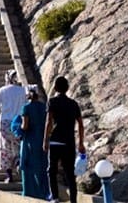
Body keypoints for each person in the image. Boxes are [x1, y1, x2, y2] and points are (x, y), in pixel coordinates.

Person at [44, 75, 85, 203]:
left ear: (55, 87)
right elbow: (80, 124)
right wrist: (81, 143)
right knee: (70, 173)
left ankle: (55, 198)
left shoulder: (52, 101)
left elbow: (49, 122)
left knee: (52, 170)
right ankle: (73, 200)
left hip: (55, 140)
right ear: (67, 88)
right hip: (69, 142)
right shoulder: (73, 104)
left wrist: (45, 140)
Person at [0, 69, 26, 183]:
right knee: (18, 146)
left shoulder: (2, 90)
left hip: (5, 123)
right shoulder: (22, 91)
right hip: (18, 122)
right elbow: (25, 107)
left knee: (5, 149)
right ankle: (18, 163)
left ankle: (9, 176)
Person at [15, 85, 49, 199]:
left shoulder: (26, 108)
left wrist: (16, 128)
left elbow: (25, 126)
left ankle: (30, 193)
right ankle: (43, 192)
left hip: (31, 140)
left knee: (28, 167)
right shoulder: (44, 106)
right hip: (42, 139)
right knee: (42, 166)